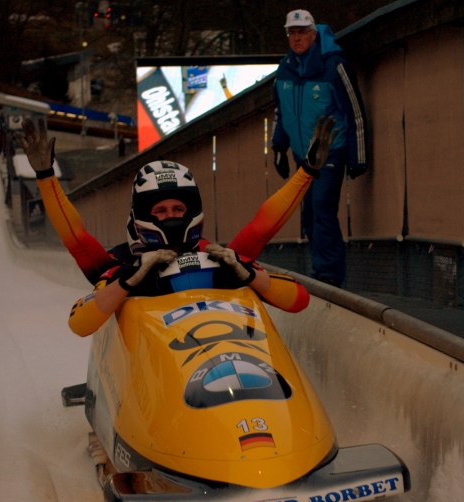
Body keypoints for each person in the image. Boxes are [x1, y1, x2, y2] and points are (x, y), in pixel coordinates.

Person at [17, 116, 336, 337]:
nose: (170, 216)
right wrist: (46, 177)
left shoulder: (219, 258)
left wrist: (251, 276)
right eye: (161, 210)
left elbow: (297, 295)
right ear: (143, 215)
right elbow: (80, 321)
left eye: (178, 208)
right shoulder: (119, 268)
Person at [272, 9, 368, 288]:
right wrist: (279, 147)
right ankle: (322, 272)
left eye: (302, 32)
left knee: (322, 208)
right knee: (310, 216)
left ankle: (329, 275)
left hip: (331, 152)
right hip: (304, 158)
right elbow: (282, 113)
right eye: (292, 32)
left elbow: (355, 112)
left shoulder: (334, 65)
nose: (297, 37)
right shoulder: (284, 69)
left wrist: (358, 157)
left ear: (314, 34)